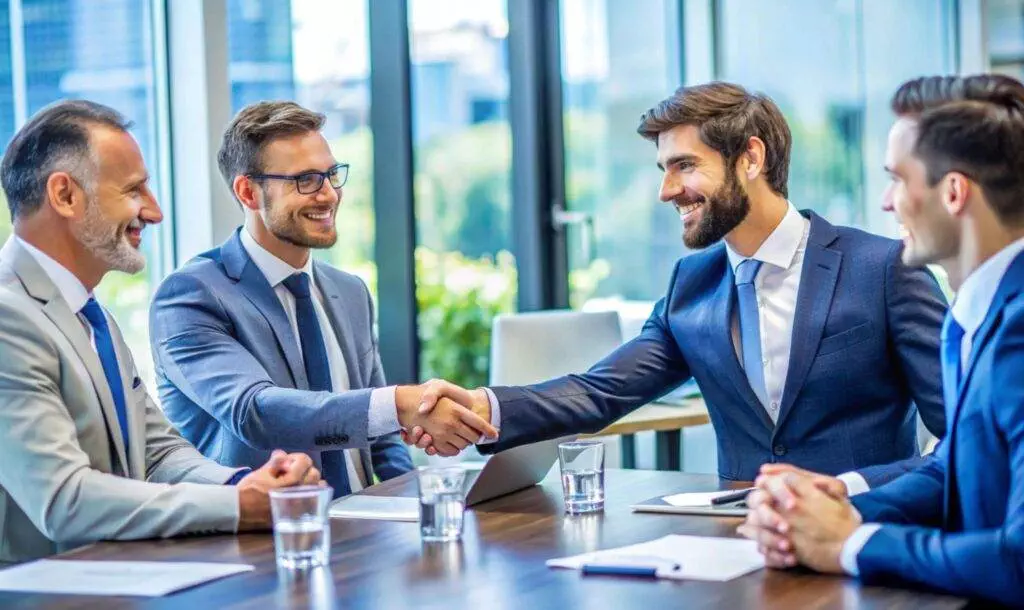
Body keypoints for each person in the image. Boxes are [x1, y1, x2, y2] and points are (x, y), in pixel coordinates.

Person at [408, 81, 946, 489]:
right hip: (737, 547)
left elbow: (962, 434)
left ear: (751, 159)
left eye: (684, 166)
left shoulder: (884, 268)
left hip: (868, 536)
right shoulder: (694, 284)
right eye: (664, 169)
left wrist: (853, 490)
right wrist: (483, 407)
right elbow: (602, 390)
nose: (667, 191)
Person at [739, 74, 1024, 605]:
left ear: (954, 191)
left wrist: (851, 544)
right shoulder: (974, 313)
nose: (887, 202)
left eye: (897, 179)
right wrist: (835, 505)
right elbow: (955, 466)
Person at [0, 100, 320, 564]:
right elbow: (63, 499)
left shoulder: (93, 316)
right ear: (65, 196)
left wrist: (242, 484)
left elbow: (156, 452)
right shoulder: (9, 318)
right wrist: (239, 507)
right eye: (134, 191)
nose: (154, 212)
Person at [150, 101, 497, 498]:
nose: (329, 195)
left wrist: (415, 501)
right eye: (306, 180)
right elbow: (255, 412)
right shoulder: (190, 295)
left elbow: (382, 439)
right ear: (248, 191)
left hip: (364, 526)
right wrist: (400, 402)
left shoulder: (349, 292)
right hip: (264, 538)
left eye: (332, 174)